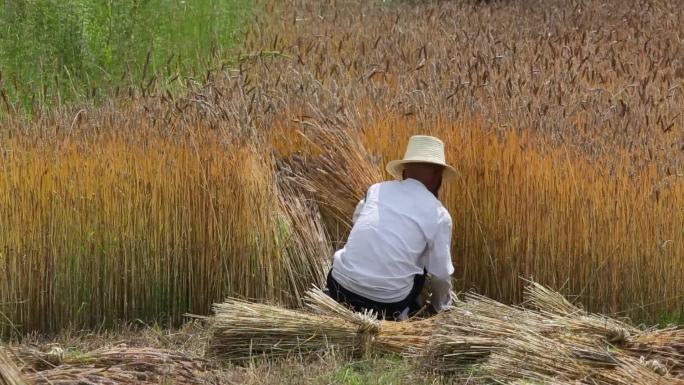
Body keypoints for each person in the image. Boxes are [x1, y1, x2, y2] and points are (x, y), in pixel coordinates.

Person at [326, 135, 457, 320]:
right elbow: (440, 275)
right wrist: (440, 307)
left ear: (403, 171)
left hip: (339, 287)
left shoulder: (375, 189)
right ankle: (404, 315)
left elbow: (357, 223)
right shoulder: (439, 214)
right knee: (424, 267)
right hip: (387, 303)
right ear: (438, 176)